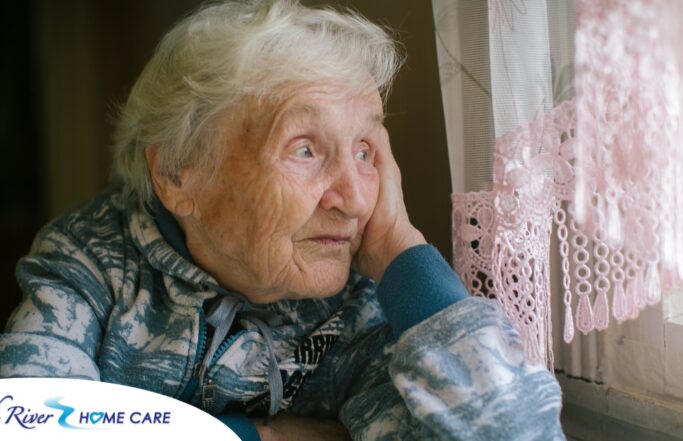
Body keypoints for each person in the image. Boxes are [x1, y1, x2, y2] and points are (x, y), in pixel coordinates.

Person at [0, 1, 565, 439]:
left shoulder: (361, 307)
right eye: (304, 150)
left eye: (365, 151)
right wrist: (255, 435)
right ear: (178, 174)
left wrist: (401, 250)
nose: (352, 199)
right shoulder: (94, 260)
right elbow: (26, 420)